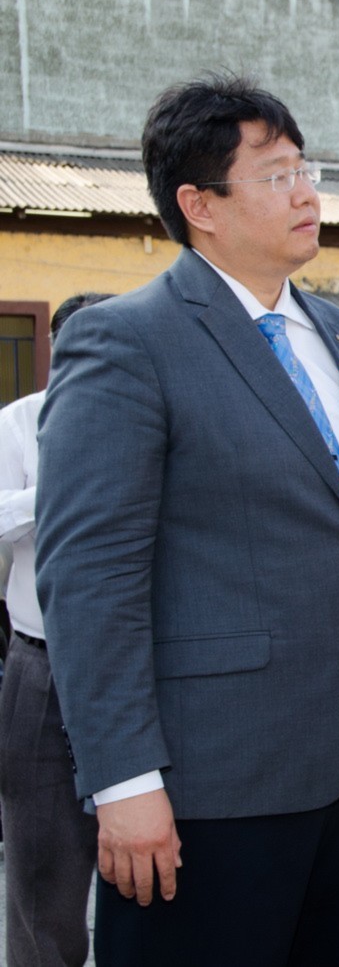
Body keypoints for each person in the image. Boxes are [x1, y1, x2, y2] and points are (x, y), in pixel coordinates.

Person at [34, 74, 339, 965]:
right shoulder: (129, 340)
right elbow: (90, 577)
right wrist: (123, 778)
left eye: (306, 170)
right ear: (200, 205)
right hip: (208, 781)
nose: (306, 194)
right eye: (275, 175)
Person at [0, 292, 112, 967]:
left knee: (156, 873)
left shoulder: (166, 421)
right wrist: (63, 489)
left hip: (147, 667)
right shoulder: (18, 423)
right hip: (42, 667)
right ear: (56, 349)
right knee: (43, 877)